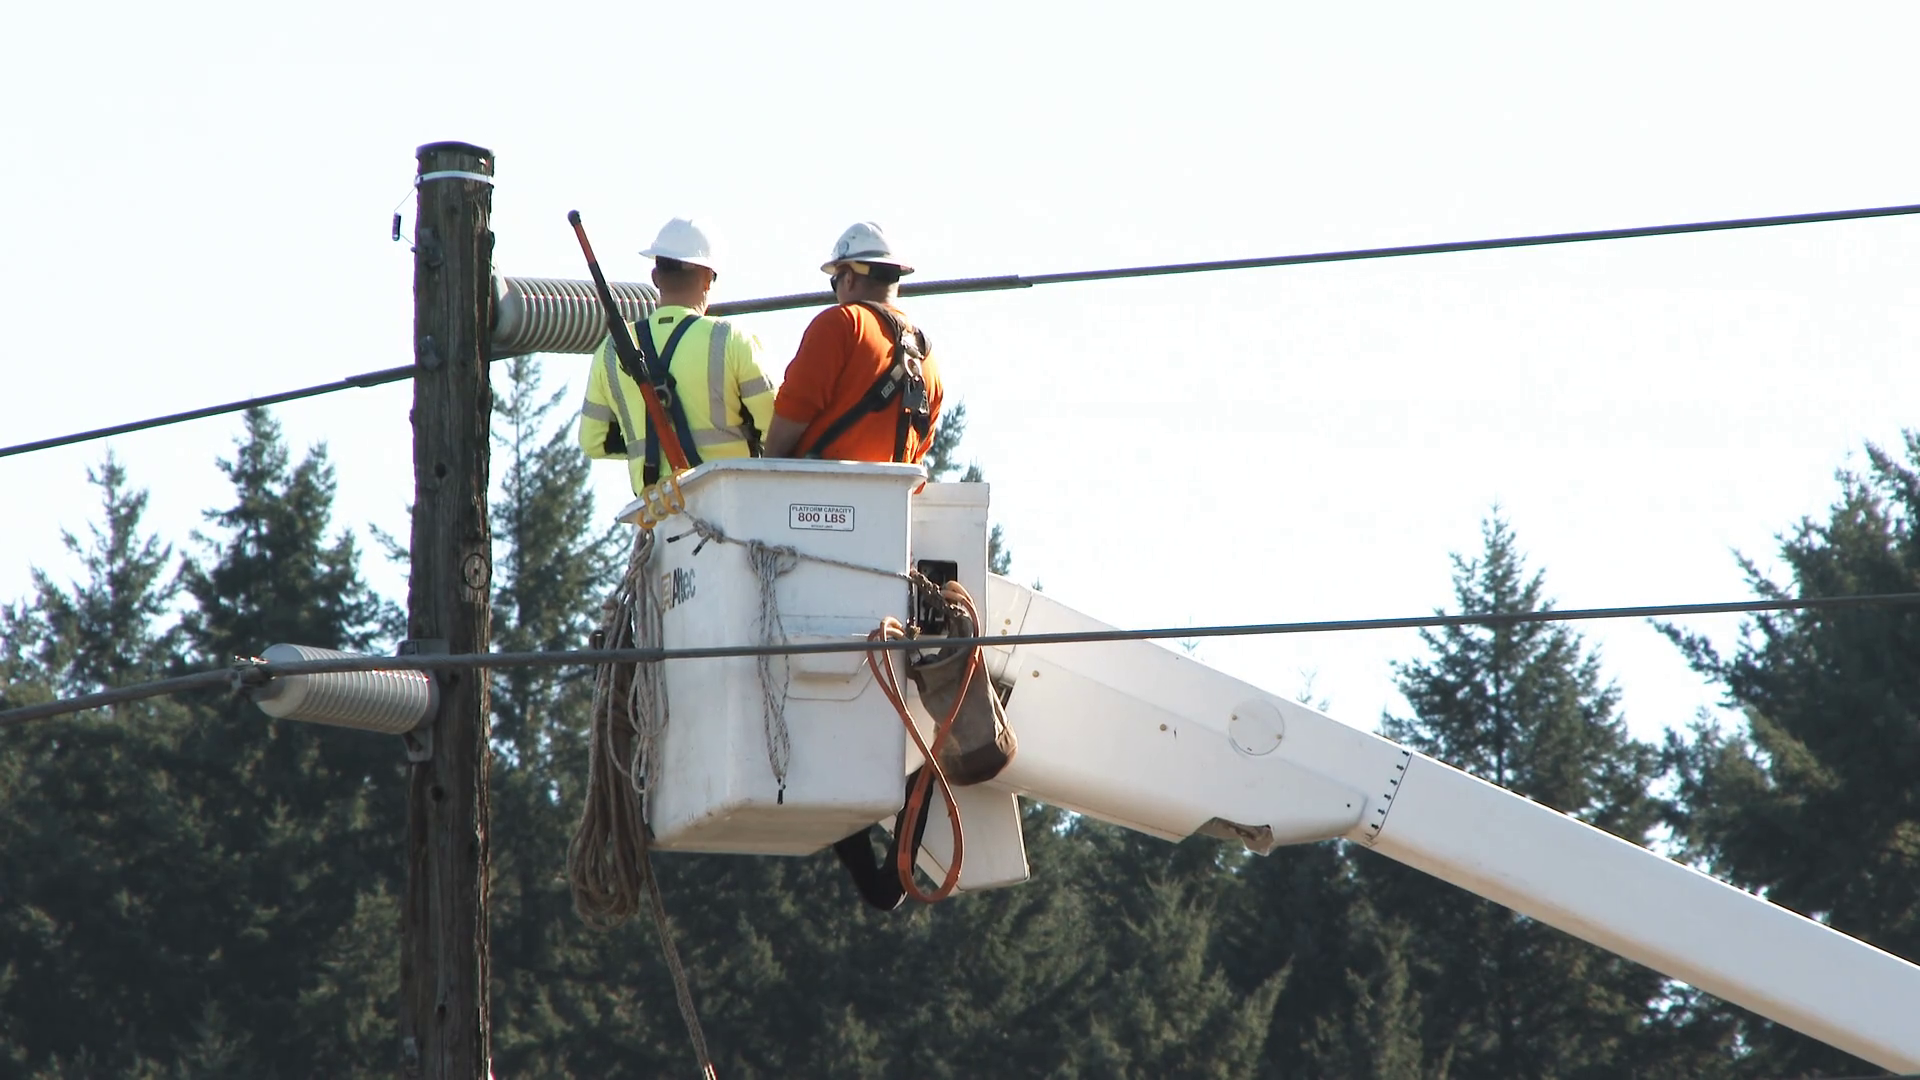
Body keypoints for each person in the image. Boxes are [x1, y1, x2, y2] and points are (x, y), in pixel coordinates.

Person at [578, 217, 777, 494]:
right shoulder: (732, 339)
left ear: (655, 278)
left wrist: (649, 441)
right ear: (708, 279)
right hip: (732, 511)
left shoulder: (610, 350)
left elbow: (593, 442)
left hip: (655, 517)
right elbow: (775, 428)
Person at [763, 222, 942, 464]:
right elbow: (917, 458)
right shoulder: (926, 357)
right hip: (889, 500)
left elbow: (793, 413)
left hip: (816, 496)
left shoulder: (842, 324)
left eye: (835, 281)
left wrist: (767, 469)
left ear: (847, 278)